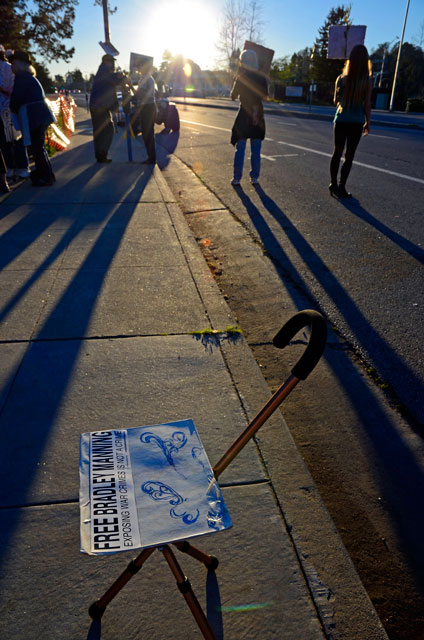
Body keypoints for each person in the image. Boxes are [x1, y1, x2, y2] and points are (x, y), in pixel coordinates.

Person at [329, 44, 372, 199]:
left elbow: (335, 101)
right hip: (356, 123)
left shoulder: (340, 79)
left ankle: (332, 184)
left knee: (337, 153)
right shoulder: (366, 80)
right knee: (349, 156)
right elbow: (367, 104)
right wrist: (368, 122)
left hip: (340, 121)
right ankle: (342, 186)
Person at [9, 50, 56, 186]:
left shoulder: (21, 77)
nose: (11, 67)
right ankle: (47, 174)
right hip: (41, 115)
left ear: (18, 64)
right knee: (39, 147)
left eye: (13, 64)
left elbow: (16, 99)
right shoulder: (30, 76)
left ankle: (45, 176)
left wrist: (12, 107)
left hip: (33, 116)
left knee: (37, 148)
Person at [230, 49, 268, 186]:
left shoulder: (241, 77)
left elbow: (233, 96)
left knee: (240, 147)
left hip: (244, 114)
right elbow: (264, 95)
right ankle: (254, 177)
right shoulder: (262, 77)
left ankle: (237, 178)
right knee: (256, 149)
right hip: (257, 115)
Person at [0, 45, 30, 180]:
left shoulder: (8, 67)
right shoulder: (9, 67)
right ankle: (21, 167)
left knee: (6, 141)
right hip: (11, 107)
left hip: (7, 107)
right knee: (16, 138)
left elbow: (12, 89)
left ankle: (11, 168)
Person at [89, 54, 122, 163]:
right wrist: (123, 76)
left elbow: (111, 91)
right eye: (112, 62)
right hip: (99, 107)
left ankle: (101, 156)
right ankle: (101, 155)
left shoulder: (104, 71)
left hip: (100, 106)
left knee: (102, 132)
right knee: (106, 131)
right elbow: (114, 79)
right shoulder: (104, 70)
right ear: (107, 62)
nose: (113, 64)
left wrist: (115, 106)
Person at [134, 59, 156, 165]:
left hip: (147, 107)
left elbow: (140, 94)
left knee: (147, 134)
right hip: (149, 107)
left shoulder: (144, 78)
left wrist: (129, 85)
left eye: (139, 66)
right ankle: (151, 157)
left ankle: (151, 158)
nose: (138, 69)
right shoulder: (149, 78)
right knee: (148, 133)